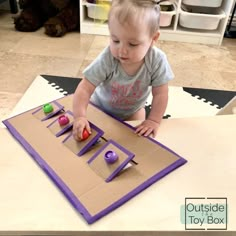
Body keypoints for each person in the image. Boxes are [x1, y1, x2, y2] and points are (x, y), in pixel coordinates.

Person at [73, 0, 174, 141]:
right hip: (100, 108)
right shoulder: (108, 58)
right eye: (115, 40)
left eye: (133, 44)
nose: (122, 50)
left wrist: (154, 121)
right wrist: (79, 116)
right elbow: (85, 88)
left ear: (153, 39)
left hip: (132, 112)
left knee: (137, 139)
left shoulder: (157, 60)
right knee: (91, 139)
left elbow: (161, 94)